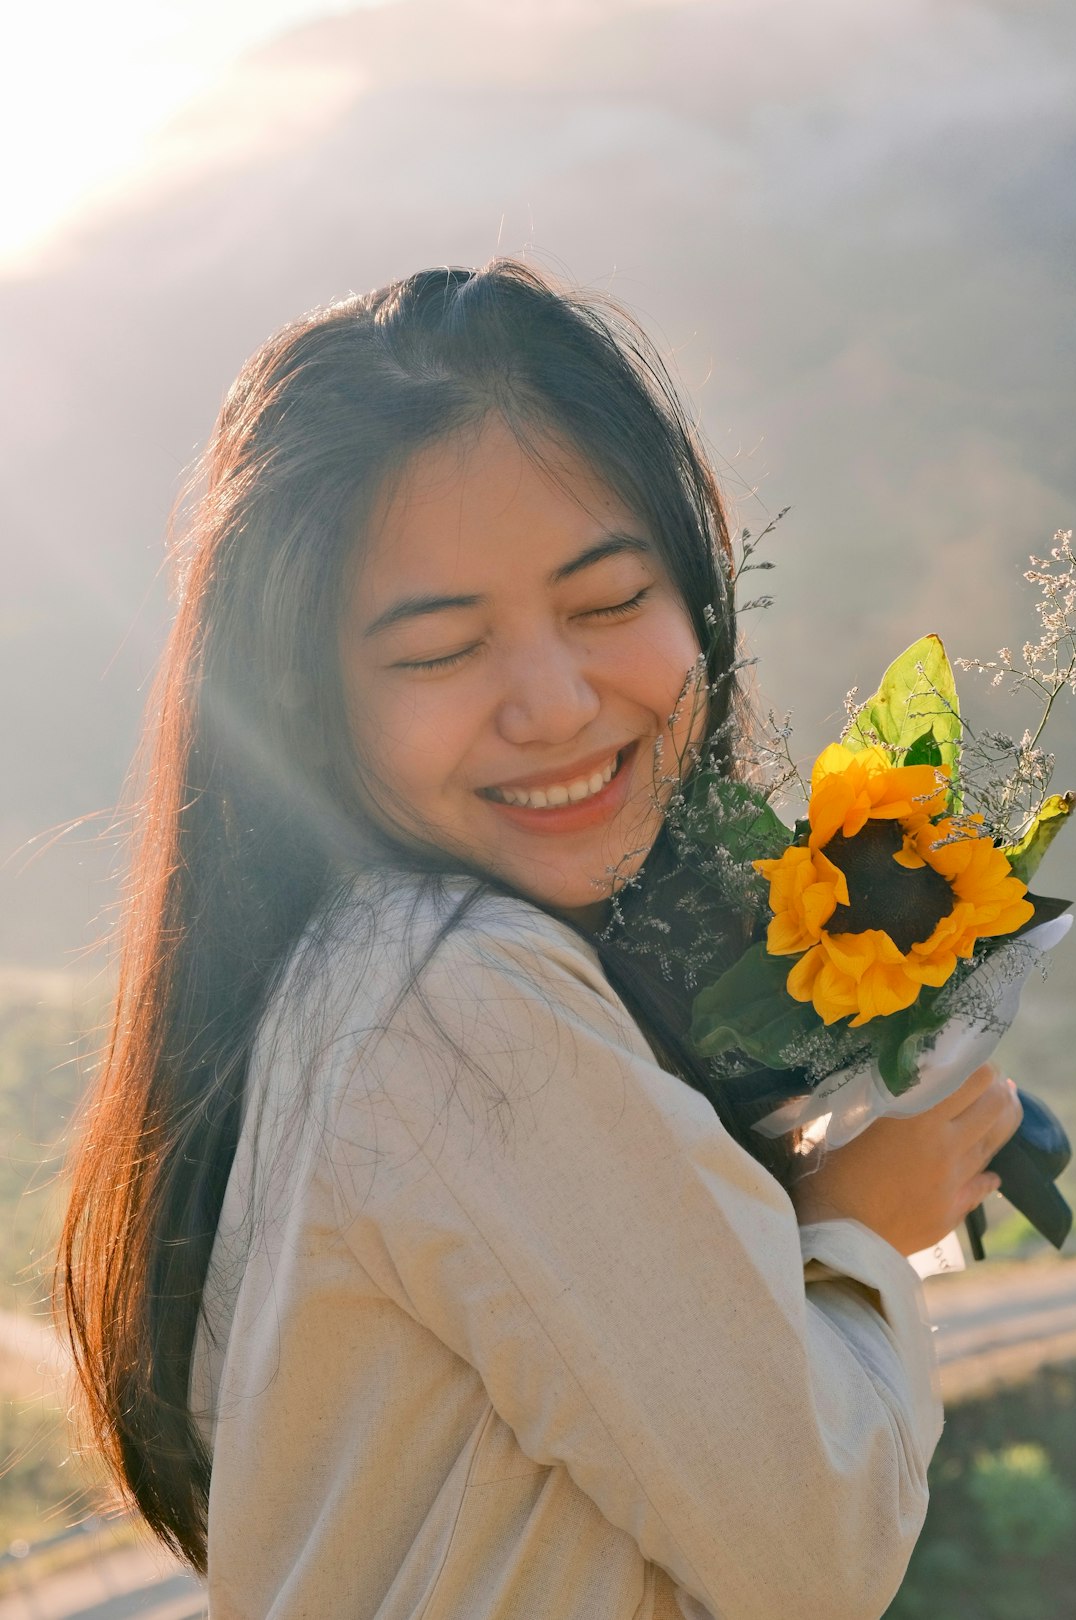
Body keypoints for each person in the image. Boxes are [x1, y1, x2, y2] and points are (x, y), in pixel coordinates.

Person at [58, 261, 1021, 1619]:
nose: (556, 703)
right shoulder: (457, 997)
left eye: (608, 603)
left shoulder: (336, 981)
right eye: (443, 651)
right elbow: (816, 1551)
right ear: (306, 700)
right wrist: (859, 1230)